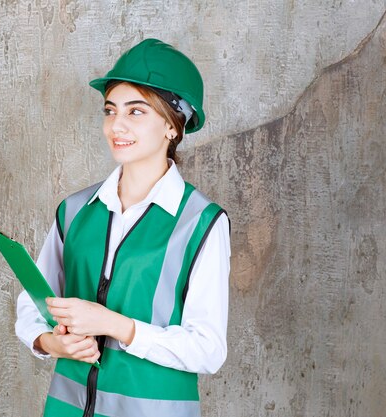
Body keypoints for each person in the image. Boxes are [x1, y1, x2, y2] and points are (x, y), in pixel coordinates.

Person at [15, 38, 230, 417]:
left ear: (172, 125)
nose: (117, 125)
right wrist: (51, 343)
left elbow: (208, 349)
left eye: (136, 112)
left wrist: (117, 325)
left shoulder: (201, 223)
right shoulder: (75, 211)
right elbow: (33, 306)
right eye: (110, 110)